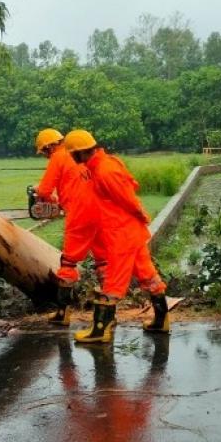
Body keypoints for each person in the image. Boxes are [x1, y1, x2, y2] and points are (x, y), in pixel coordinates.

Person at [63, 129, 170, 343]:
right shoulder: (98, 166)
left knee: (113, 283)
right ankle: (161, 320)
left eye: (73, 154)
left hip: (122, 233)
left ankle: (100, 330)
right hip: (128, 233)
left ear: (80, 153)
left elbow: (128, 199)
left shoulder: (104, 170)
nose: (73, 159)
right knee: (148, 276)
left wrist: (141, 214)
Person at [33, 128, 105, 325]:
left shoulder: (59, 157)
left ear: (50, 147)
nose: (46, 156)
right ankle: (108, 313)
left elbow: (46, 190)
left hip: (78, 214)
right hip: (99, 211)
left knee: (68, 263)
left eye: (45, 152)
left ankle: (63, 313)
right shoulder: (82, 153)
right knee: (102, 262)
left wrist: (45, 196)